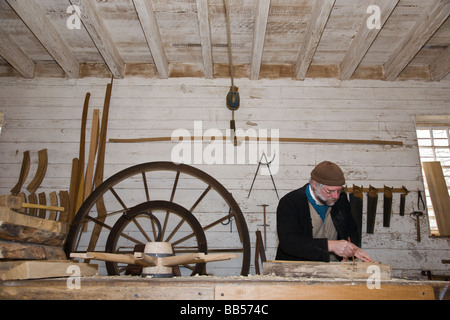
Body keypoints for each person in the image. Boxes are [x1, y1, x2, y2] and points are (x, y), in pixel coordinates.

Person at [276, 161, 374, 262]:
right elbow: (289, 242)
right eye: (329, 191)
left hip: (333, 267)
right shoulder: (291, 202)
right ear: (315, 184)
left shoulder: (341, 200)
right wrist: (331, 245)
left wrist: (351, 248)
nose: (336, 196)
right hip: (297, 267)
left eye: (339, 190)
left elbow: (351, 228)